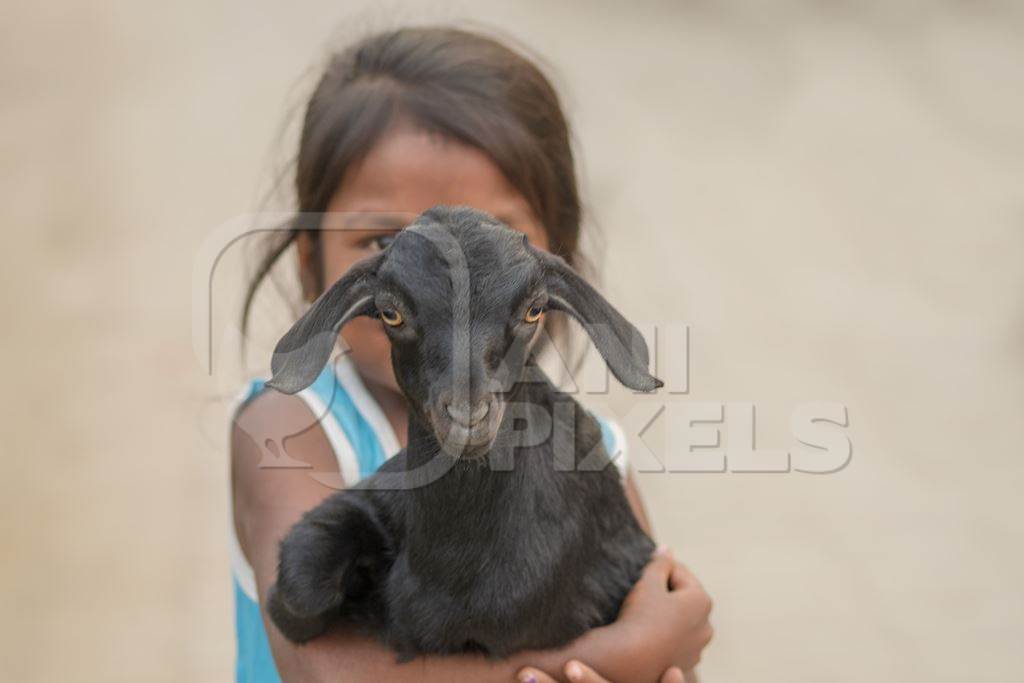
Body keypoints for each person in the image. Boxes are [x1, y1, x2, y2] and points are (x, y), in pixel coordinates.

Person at [230, 26, 713, 683]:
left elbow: (655, 614)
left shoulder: (593, 449)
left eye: (494, 238)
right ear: (315, 264)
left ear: (551, 266)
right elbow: (329, 674)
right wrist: (630, 655)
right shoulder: (290, 430)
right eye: (385, 238)